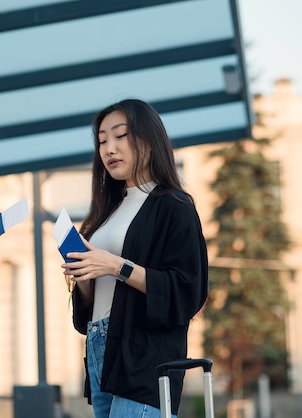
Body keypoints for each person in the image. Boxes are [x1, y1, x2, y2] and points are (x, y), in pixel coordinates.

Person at [61, 99, 208, 418]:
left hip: (145, 358)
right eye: (101, 141)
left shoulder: (174, 206)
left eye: (119, 136)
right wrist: (84, 278)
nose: (109, 148)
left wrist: (115, 265)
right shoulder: (107, 210)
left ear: (148, 140)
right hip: (102, 352)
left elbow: (187, 291)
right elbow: (92, 304)